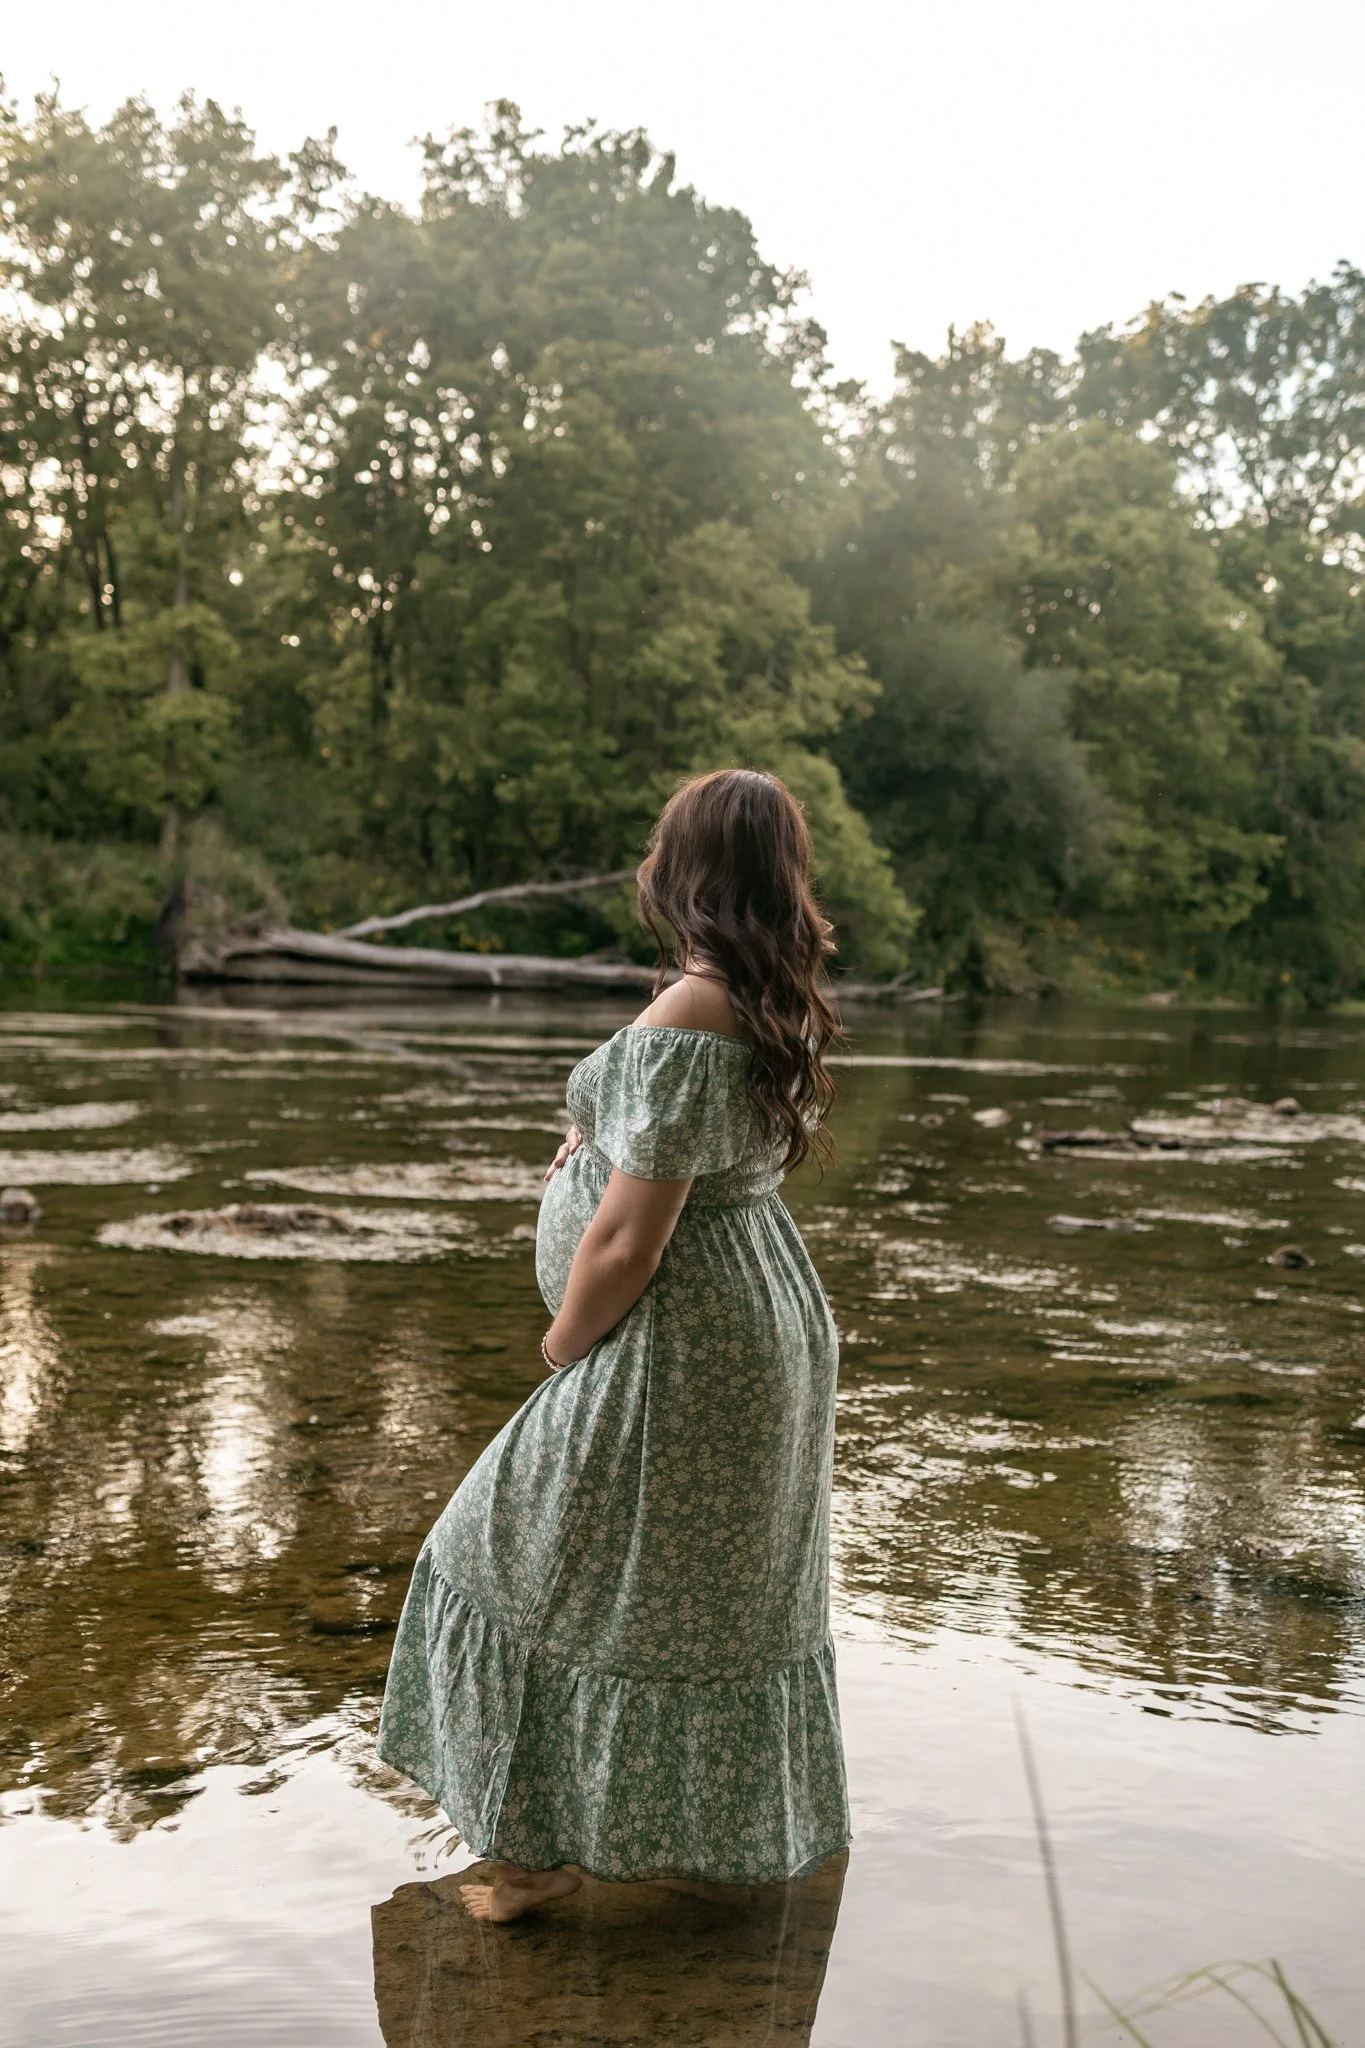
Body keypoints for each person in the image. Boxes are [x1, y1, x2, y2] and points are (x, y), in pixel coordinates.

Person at [378, 767, 850, 1924]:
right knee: (687, 1593)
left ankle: (533, 1855)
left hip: (677, 1339)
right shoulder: (756, 995)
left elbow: (632, 1241)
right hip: (756, 1328)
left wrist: (558, 1349)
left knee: (504, 1556)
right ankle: (702, 1849)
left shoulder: (696, 1005)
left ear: (682, 868)